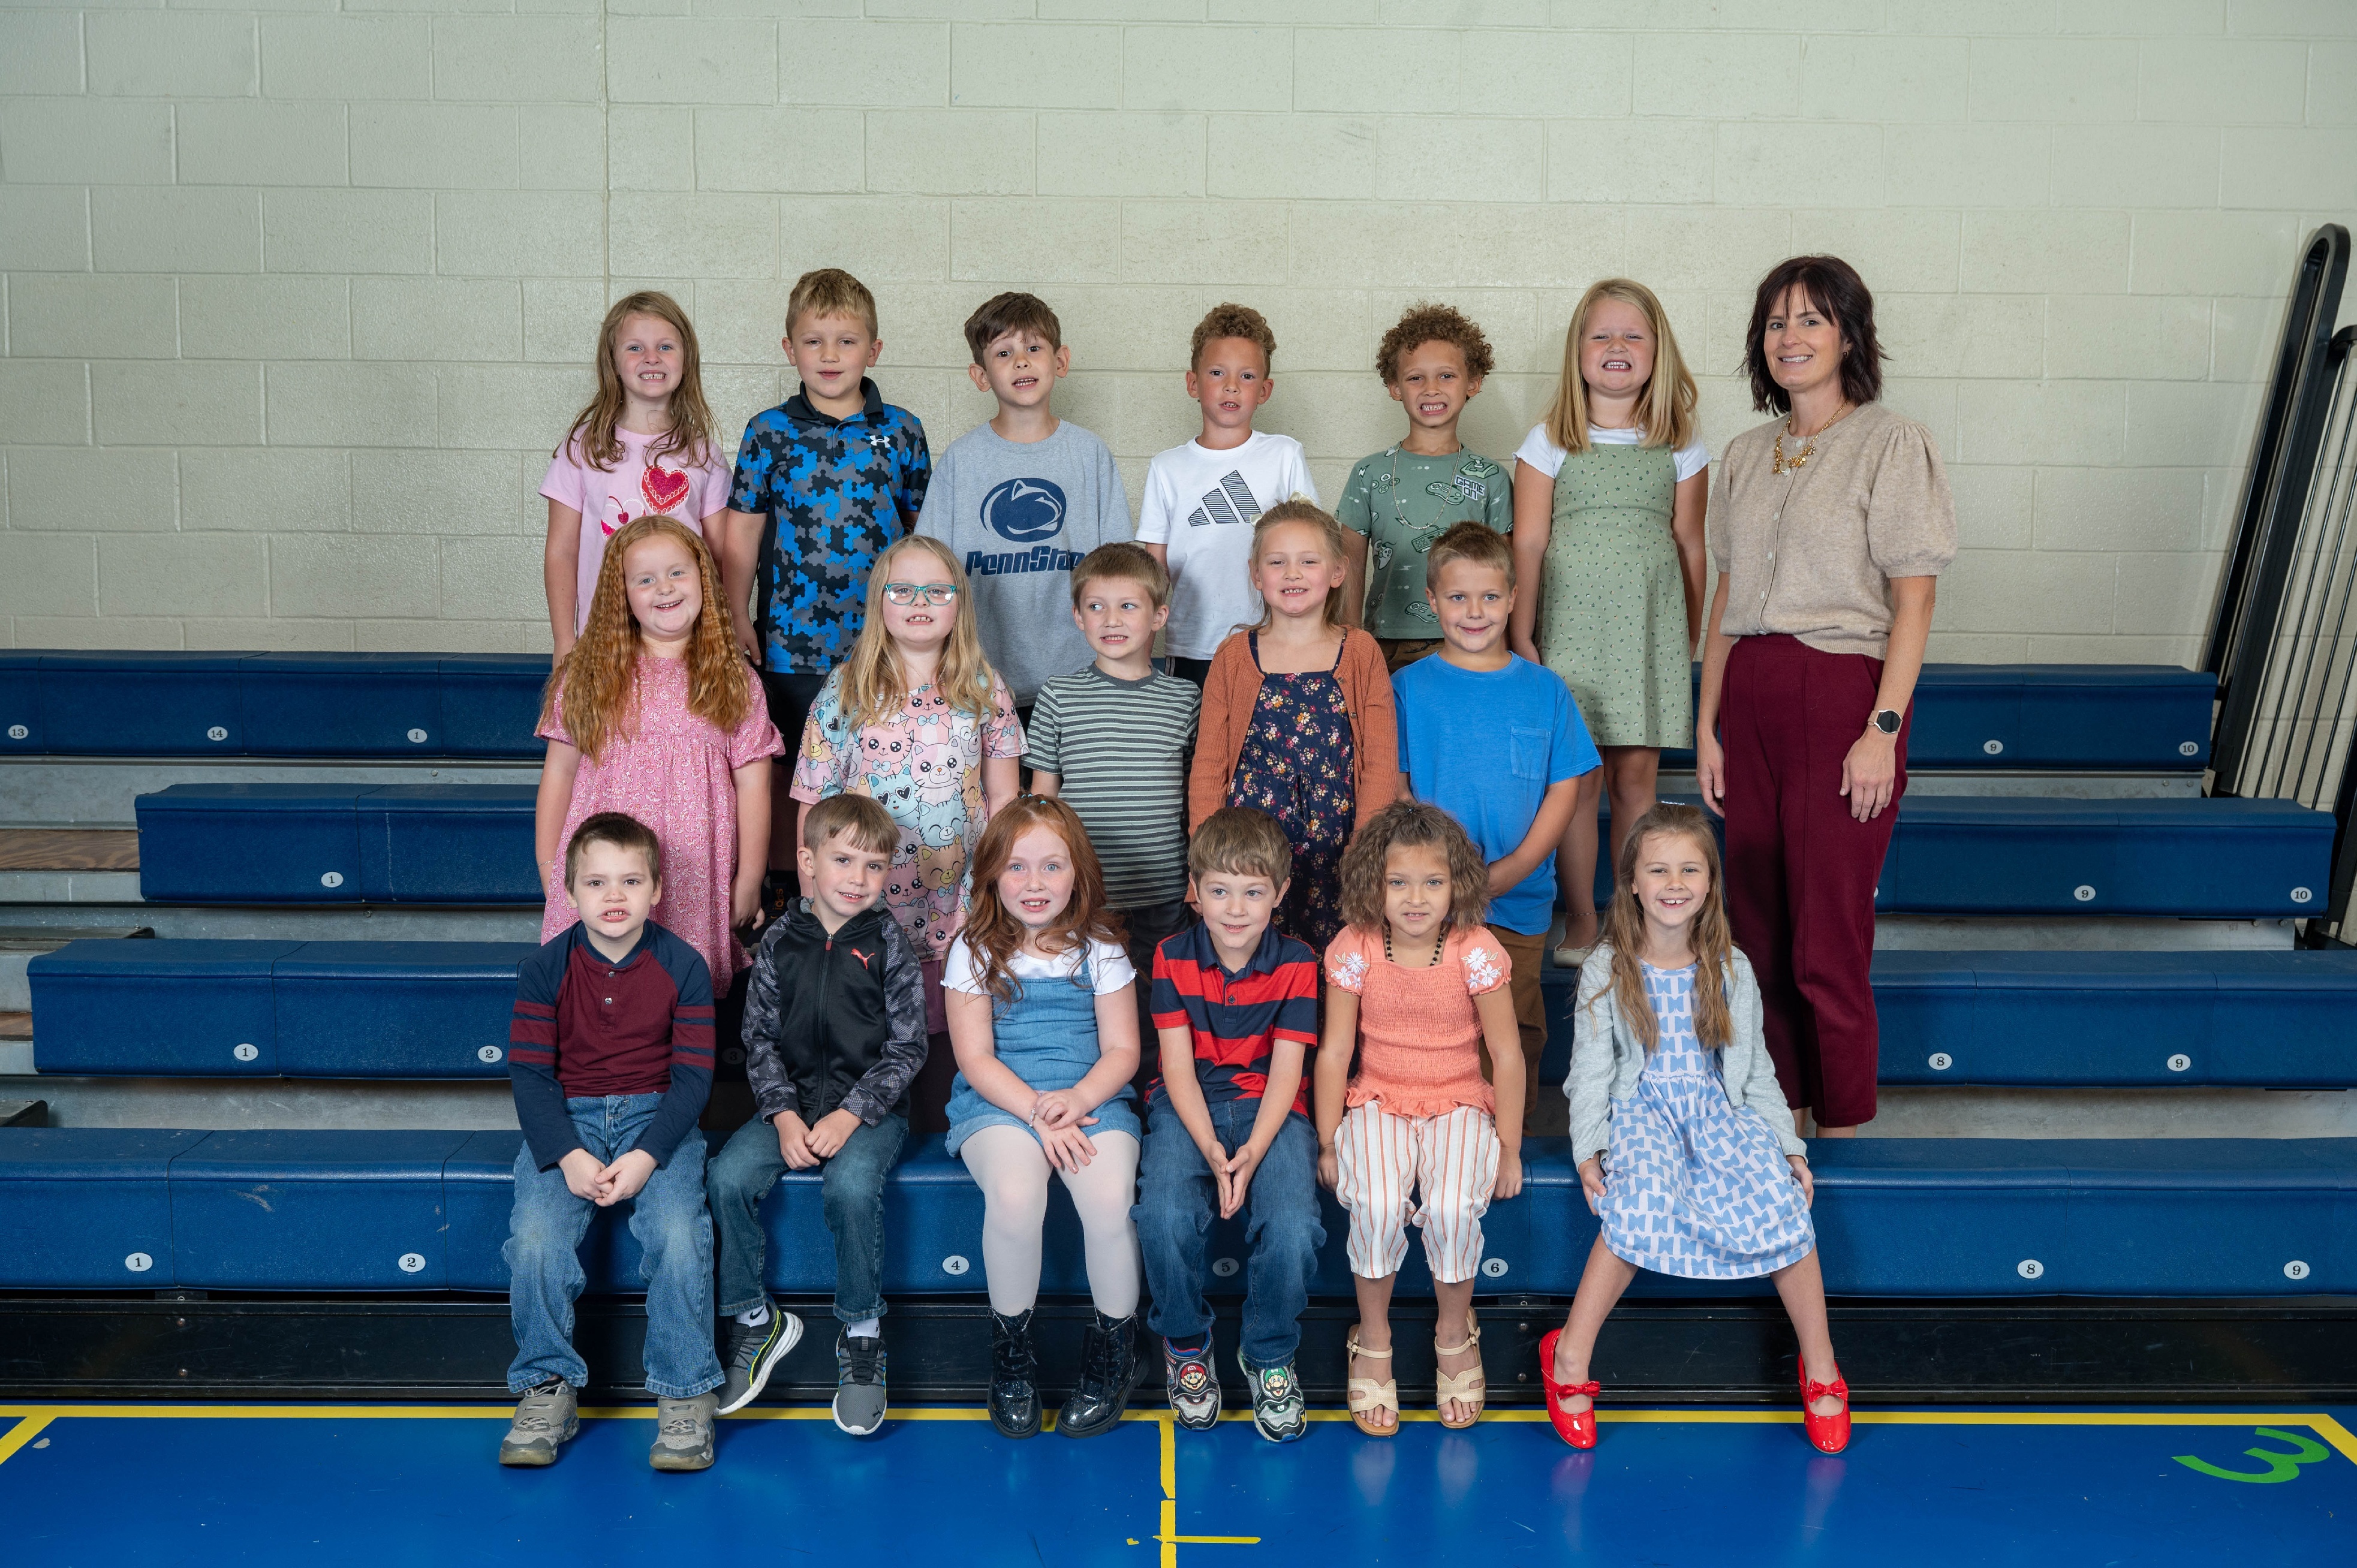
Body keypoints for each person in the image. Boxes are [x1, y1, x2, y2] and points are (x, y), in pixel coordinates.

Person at [1694, 255, 1955, 1137]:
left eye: (1810, 319)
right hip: (1752, 693)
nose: (1790, 337)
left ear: (1848, 335)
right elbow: (1727, 596)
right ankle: (1783, 1132)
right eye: (1775, 322)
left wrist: (1882, 728)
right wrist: (1707, 725)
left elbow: (1914, 599)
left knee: (1825, 939)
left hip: (1840, 691)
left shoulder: (1889, 442)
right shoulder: (1744, 454)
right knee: (1757, 938)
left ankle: (1843, 1137)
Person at [1542, 803, 1846, 1455]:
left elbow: (1754, 1069)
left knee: (1782, 1199)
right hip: (1643, 1108)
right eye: (1658, 869)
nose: (1674, 883)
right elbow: (1589, 1072)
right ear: (1631, 881)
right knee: (1638, 1200)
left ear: (1710, 882)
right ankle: (1569, 1353)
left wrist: (1788, 1146)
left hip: (1714, 1110)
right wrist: (1588, 1146)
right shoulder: (1607, 966)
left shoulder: (1729, 965)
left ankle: (1820, 1363)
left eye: (1689, 869)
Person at [498, 812, 724, 1471]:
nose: (614, 895)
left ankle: (684, 1391)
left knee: (678, 1232)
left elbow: (693, 1078)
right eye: (596, 881)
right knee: (535, 1237)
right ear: (569, 890)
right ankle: (546, 1384)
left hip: (657, 1117)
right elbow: (530, 1074)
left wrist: (647, 1154)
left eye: (631, 880)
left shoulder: (684, 966)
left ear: (657, 889)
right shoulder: (545, 968)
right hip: (566, 1118)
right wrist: (568, 1153)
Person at [706, 793, 927, 1436]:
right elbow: (759, 1039)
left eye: (874, 865)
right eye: (843, 860)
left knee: (851, 1186)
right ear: (807, 861)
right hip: (792, 1104)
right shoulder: (779, 941)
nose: (859, 877)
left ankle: (862, 1334)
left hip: (871, 1112)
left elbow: (907, 1047)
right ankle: (754, 1320)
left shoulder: (889, 943)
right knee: (726, 1176)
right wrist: (782, 1115)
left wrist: (851, 1115)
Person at [1507, 278, 1711, 970]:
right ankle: (1582, 918)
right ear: (1578, 351)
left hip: (1646, 635)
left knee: (1634, 782)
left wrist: (1686, 634)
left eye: (1633, 335)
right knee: (1577, 783)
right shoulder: (1548, 440)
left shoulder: (1680, 442)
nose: (1616, 346)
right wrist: (1522, 632)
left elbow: (1689, 544)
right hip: (1572, 631)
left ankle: (1632, 923)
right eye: (1601, 335)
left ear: (1658, 351)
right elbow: (1528, 542)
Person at [1313, 800, 1525, 1435]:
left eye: (1432, 881)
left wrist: (1509, 1147)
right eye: (1398, 882)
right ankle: (1372, 1335)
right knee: (1378, 1202)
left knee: (1454, 1205)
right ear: (1372, 883)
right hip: (1377, 1098)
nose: (1415, 898)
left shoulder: (1474, 948)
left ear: (1456, 884)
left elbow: (1507, 1054)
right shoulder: (1354, 946)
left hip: (1457, 1099)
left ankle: (1454, 1332)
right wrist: (1327, 1142)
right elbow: (1334, 1052)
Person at [719, 267, 932, 899]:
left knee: (875, 766)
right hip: (791, 644)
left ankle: (871, 898)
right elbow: (741, 534)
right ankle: (792, 898)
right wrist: (736, 614)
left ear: (874, 350)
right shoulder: (768, 431)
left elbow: (924, 540)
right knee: (793, 775)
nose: (830, 354)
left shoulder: (902, 430)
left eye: (846, 340)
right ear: (790, 349)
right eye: (813, 341)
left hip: (883, 645)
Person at [787, 534, 1024, 1096]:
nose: (920, 602)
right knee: (869, 1028)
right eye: (904, 590)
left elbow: (1005, 801)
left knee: (950, 1033)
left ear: (960, 603)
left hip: (957, 899)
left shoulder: (985, 688)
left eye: (938, 591)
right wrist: (816, 903)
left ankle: (941, 1123)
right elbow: (813, 802)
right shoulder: (844, 689)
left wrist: (989, 889)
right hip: (864, 898)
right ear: (880, 601)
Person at [941, 797, 1144, 1441]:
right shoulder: (973, 949)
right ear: (991, 875)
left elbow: (1123, 1050)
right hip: (1002, 1102)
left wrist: (1077, 1100)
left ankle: (1113, 1354)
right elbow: (975, 1057)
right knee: (1013, 1193)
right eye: (1017, 866)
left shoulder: (1101, 948)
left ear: (1077, 872)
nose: (1035, 882)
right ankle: (1011, 1360)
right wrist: (1035, 1109)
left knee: (1108, 1200)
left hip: (1090, 1098)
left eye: (1052, 865)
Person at [1393, 522, 1599, 1131]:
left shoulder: (1545, 690)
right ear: (1432, 601)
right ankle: (1433, 1134)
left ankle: (1510, 1142)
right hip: (1426, 905)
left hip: (1516, 902)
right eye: (1457, 597)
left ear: (1513, 598)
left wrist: (1511, 870)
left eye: (1489, 596)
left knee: (1513, 1029)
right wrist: (1438, 878)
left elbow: (1565, 789)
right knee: (1432, 1028)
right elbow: (1396, 788)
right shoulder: (1406, 688)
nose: (1474, 611)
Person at [1134, 806, 1323, 1443]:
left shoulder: (1297, 961)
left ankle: (1269, 1351)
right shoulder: (1171, 955)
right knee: (1161, 1215)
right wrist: (1214, 1151)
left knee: (1293, 1227)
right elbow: (1176, 1068)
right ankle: (1186, 1340)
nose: (1235, 909)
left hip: (1273, 1108)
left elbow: (1288, 1071)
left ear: (1280, 892)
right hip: (1188, 1105)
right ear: (1194, 890)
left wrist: (1251, 1152)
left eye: (1252, 892)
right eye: (1219, 890)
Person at [532, 517, 780, 1001]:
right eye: (645, 579)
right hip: (605, 873)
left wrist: (750, 878)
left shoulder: (734, 679)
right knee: (597, 996)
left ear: (703, 579)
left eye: (677, 572)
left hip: (693, 876)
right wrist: (550, 867)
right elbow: (559, 774)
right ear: (621, 595)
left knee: (682, 998)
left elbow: (754, 785)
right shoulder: (588, 674)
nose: (664, 587)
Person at [1188, 501, 1401, 958]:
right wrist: (1205, 866)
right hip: (1249, 857)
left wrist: (1365, 850)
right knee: (1254, 962)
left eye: (1308, 561)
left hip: (1339, 847)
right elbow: (1208, 767)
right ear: (1255, 574)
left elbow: (1382, 762)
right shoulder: (1233, 655)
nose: (1292, 573)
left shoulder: (1361, 652)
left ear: (1337, 572)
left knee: (1337, 962)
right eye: (1276, 562)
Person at [1024, 542, 1201, 1069]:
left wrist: (1196, 876)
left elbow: (1195, 798)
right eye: (1096, 606)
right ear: (1078, 616)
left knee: (1155, 1005)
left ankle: (1154, 1094)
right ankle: (1096, 1091)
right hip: (1083, 892)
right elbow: (1042, 802)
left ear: (1159, 616)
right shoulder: (1058, 695)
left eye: (1128, 606)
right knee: (1086, 1000)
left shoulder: (1183, 699)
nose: (1111, 619)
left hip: (1161, 890)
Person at [916, 291, 1133, 720]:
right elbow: (929, 571)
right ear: (980, 376)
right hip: (979, 682)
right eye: (1004, 353)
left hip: (1080, 681)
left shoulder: (1089, 455)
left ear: (1060, 361)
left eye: (1034, 348)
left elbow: (1124, 571)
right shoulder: (961, 461)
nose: (1021, 362)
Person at [541, 291, 734, 665]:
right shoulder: (583, 447)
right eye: (635, 348)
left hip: (686, 644)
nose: (652, 357)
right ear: (612, 362)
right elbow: (562, 551)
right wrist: (564, 640)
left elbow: (721, 557)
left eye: (665, 347)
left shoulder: (704, 453)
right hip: (604, 641)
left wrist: (726, 629)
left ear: (686, 361)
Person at [1136, 302, 1319, 685]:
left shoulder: (1284, 455)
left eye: (1247, 376)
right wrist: (1140, 662)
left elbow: (1312, 549)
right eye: (1217, 372)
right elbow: (1153, 574)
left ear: (1265, 390)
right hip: (1192, 647)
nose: (1231, 385)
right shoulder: (1167, 467)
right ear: (1193, 383)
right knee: (1196, 729)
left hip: (1272, 642)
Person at [1333, 302, 1514, 670]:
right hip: (1383, 645)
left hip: (1468, 641)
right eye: (1416, 378)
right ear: (1395, 387)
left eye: (1446, 376)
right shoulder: (1369, 473)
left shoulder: (1491, 477)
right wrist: (1350, 646)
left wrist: (1503, 657)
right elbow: (1348, 567)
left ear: (1473, 383)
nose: (1431, 389)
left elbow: (1505, 574)